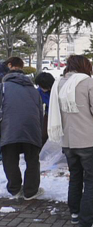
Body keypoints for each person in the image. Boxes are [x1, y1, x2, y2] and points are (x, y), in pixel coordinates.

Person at [48, 55, 93, 227]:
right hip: (88, 140)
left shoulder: (58, 83)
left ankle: (75, 214)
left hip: (68, 141)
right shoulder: (87, 82)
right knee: (92, 181)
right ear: (85, 66)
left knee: (75, 178)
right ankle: (87, 220)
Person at [0, 57, 44, 200]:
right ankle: (31, 191)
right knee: (32, 159)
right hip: (32, 128)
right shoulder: (33, 89)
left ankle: (15, 189)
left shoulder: (4, 87)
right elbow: (40, 112)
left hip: (9, 128)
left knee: (9, 158)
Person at [35, 72, 55, 146]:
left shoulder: (57, 89)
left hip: (59, 114)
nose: (41, 88)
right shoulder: (39, 91)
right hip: (48, 114)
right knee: (43, 135)